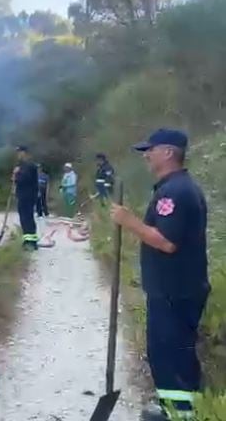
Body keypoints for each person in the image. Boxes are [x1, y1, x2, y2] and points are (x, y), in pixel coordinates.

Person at [110, 128, 209, 421]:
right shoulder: (175, 187)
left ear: (168, 152)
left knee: (172, 354)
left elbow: (167, 241)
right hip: (174, 288)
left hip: (175, 290)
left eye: (150, 150)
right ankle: (176, 409)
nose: (146, 156)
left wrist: (129, 221)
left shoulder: (176, 192)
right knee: (170, 352)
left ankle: (180, 414)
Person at [12, 146, 39, 250]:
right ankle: (28, 240)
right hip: (22, 195)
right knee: (24, 218)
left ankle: (31, 242)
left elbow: (24, 179)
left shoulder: (29, 166)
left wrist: (17, 174)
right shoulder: (21, 166)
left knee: (27, 218)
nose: (18, 155)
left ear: (25, 153)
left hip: (28, 196)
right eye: (18, 152)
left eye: (20, 152)